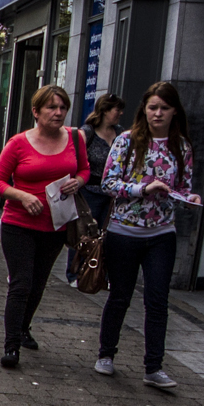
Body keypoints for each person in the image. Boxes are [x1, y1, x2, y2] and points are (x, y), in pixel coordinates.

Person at [96, 81, 198, 390]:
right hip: (123, 232)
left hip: (162, 234)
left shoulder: (181, 147)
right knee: (120, 295)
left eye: (164, 108)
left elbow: (183, 187)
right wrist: (143, 188)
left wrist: (188, 198)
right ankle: (106, 354)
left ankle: (153, 367)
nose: (157, 113)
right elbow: (108, 183)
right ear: (145, 110)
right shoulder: (127, 141)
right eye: (152, 107)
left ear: (174, 112)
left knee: (157, 300)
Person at [0, 85, 87, 368]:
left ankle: (23, 326)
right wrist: (22, 195)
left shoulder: (76, 139)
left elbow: (85, 170)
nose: (58, 113)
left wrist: (78, 181)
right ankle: (12, 346)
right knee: (21, 283)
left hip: (55, 226)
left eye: (62, 108)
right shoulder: (18, 143)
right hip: (18, 223)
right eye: (51, 108)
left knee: (38, 284)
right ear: (36, 112)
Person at [69, 93, 125, 285]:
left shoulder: (120, 133)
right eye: (116, 109)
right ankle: (76, 272)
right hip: (89, 191)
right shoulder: (88, 132)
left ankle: (99, 274)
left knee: (106, 235)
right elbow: (74, 157)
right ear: (104, 110)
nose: (120, 113)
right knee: (85, 232)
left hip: (110, 194)